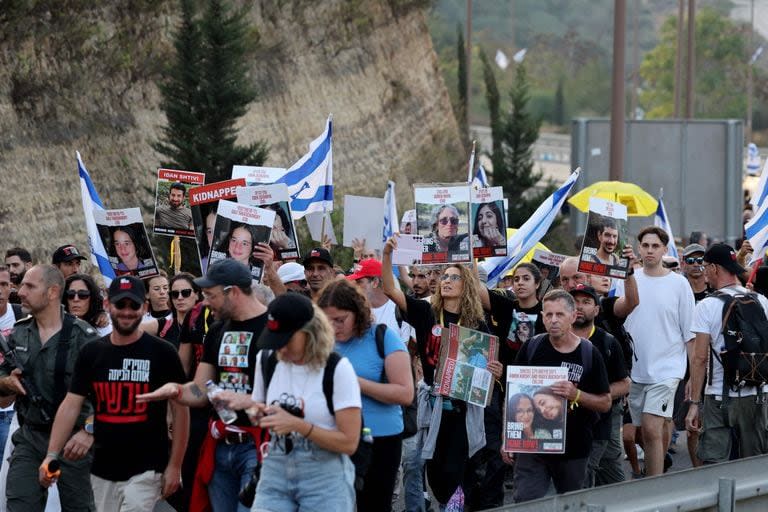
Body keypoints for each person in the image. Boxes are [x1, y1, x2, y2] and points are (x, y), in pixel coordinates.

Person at [40, 275, 189, 511]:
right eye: (120, 304)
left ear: (145, 308)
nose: (127, 312)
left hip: (147, 467)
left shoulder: (163, 352)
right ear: (108, 305)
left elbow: (181, 411)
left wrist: (175, 465)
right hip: (103, 469)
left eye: (134, 305)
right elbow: (71, 404)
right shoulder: (92, 353)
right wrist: (52, 454)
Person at [136, 259, 268, 512]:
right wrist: (175, 391)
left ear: (234, 292)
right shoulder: (218, 331)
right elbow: (200, 390)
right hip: (221, 446)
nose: (204, 302)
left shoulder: (275, 328)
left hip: (260, 447)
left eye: (210, 295)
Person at [380, 236, 499, 510]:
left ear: (465, 285)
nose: (445, 280)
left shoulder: (476, 323)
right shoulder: (424, 312)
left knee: (459, 472)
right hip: (433, 407)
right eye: (444, 276)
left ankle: (456, 507)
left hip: (462, 408)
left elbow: (490, 366)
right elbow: (390, 289)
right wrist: (387, 255)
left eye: (453, 277)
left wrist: (495, 370)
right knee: (435, 473)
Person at [217, 293, 362, 510]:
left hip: (324, 475)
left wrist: (298, 425)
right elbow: (259, 409)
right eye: (274, 340)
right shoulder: (267, 359)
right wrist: (257, 412)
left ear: (310, 333)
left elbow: (349, 443)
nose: (280, 349)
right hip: (275, 464)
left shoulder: (337, 369)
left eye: (286, 340)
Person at [0, 265, 100, 511]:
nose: (20, 291)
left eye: (30, 286)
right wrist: (6, 382)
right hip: (30, 437)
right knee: (19, 504)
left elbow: (108, 393)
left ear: (53, 291)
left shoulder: (84, 336)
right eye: (21, 284)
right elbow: (3, 381)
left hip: (74, 444)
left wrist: (89, 431)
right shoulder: (20, 333)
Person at [317, 280, 413, 512]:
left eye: (340, 320)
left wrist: (353, 382)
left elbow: (405, 393)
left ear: (358, 314)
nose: (334, 327)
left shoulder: (383, 336)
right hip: (332, 437)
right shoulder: (321, 340)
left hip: (378, 440)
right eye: (327, 320)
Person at [508, 289, 611, 503]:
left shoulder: (589, 353)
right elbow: (512, 395)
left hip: (574, 448)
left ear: (573, 316)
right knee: (526, 502)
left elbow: (605, 403)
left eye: (560, 314)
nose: (553, 320)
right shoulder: (532, 347)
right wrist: (506, 440)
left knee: (572, 505)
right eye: (548, 315)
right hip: (532, 448)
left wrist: (577, 394)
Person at [685, 243, 768, 463]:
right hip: (759, 395)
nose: (704, 272)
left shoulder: (706, 306)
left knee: (715, 467)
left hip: (719, 397)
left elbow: (700, 358)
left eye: (705, 267)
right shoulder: (762, 301)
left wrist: (694, 403)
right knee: (753, 469)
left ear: (714, 268)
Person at [624, 226, 695, 477]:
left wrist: (692, 378)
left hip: (668, 369)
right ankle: (658, 465)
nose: (650, 250)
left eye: (656, 246)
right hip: (635, 371)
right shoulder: (629, 279)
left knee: (652, 427)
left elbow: (690, 335)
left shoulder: (679, 285)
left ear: (665, 249)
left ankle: (655, 488)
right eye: (645, 245)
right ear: (639, 248)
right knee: (643, 431)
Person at [569, 285, 630, 487]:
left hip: (601, 422)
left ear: (596, 310)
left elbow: (625, 384)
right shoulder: (553, 339)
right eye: (574, 302)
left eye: (586, 302)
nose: (579, 307)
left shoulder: (607, 342)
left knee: (602, 472)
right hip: (563, 424)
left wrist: (591, 396)